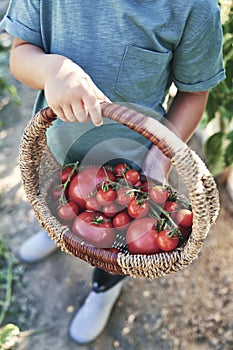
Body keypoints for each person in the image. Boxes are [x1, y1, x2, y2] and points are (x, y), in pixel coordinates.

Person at [0, 0, 225, 345]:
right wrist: (51, 70)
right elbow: (21, 54)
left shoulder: (193, 8)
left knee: (117, 246)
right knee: (57, 204)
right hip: (58, 144)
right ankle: (53, 232)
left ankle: (103, 288)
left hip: (131, 168)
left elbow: (195, 92)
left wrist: (156, 164)